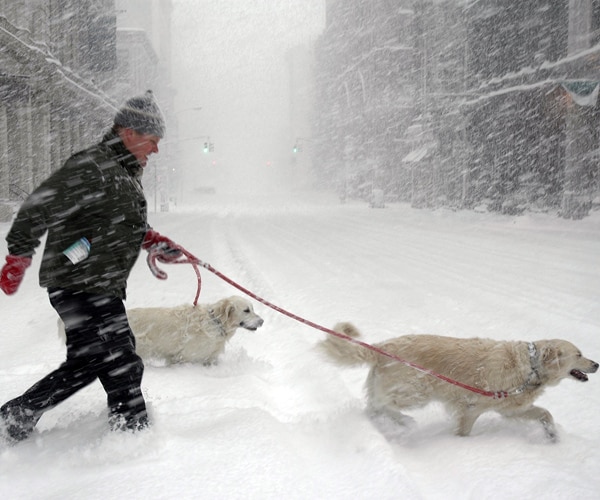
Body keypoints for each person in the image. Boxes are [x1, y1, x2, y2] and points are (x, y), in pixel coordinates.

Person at [0, 90, 181, 445]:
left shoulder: (122, 173)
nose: (156, 150)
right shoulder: (93, 166)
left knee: (93, 360)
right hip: (79, 282)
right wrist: (17, 257)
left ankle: (15, 418)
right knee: (119, 359)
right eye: (152, 140)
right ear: (129, 133)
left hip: (95, 283)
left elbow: (117, 222)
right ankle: (132, 436)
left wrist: (153, 241)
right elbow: (38, 207)